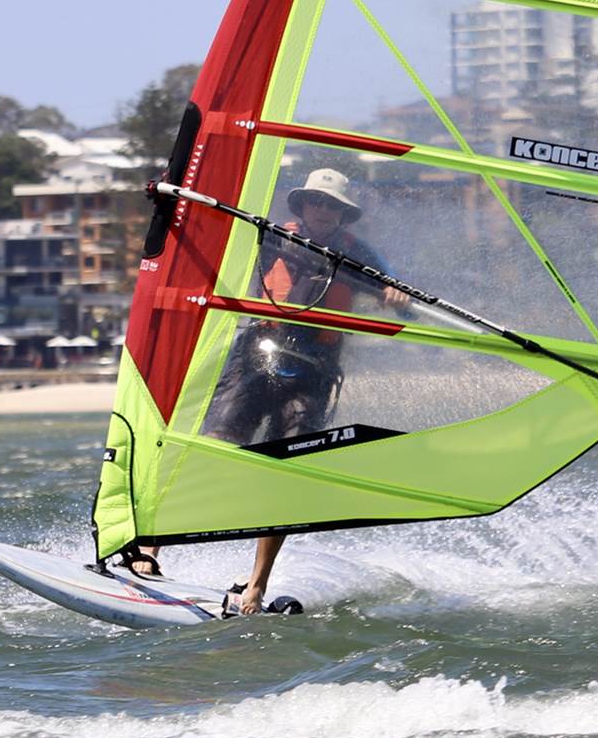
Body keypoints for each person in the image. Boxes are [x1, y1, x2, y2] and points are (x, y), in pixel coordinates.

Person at [130, 167, 398, 614]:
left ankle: (255, 586)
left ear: (343, 214)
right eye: (316, 201)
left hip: (312, 374)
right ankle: (150, 550)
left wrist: (393, 293)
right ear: (302, 205)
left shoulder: (357, 254)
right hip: (257, 359)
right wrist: (171, 203)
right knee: (212, 447)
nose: (323, 210)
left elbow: (391, 283)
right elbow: (212, 237)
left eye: (332, 206)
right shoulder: (271, 236)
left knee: (285, 472)